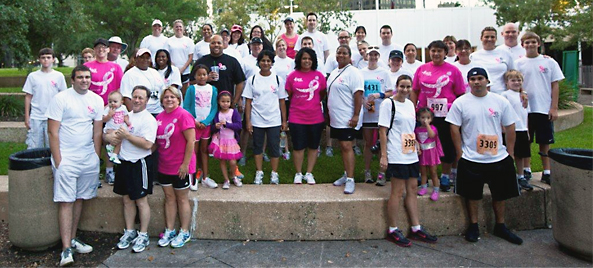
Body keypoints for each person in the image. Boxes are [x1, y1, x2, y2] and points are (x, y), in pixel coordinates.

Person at [446, 67, 524, 245]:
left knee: (500, 194)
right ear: (469, 82)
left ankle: (501, 225)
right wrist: (460, 152)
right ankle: (473, 225)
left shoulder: (500, 101)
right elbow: (454, 128)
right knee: (472, 195)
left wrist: (510, 152)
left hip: (498, 157)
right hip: (471, 158)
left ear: (487, 81)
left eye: (480, 78)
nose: (476, 82)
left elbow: (510, 126)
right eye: (473, 79)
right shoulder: (461, 103)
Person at [46, 65, 103, 266]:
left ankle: (71, 239)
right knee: (66, 201)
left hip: (88, 159)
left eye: (87, 77)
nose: (84, 80)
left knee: (80, 198)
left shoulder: (97, 100)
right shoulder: (61, 99)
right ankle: (65, 250)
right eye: (80, 77)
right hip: (66, 158)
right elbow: (52, 132)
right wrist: (59, 160)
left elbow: (97, 131)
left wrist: (96, 157)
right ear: (72, 79)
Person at [379, 74, 438, 247]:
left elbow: (410, 128)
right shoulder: (388, 104)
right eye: (402, 86)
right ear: (396, 86)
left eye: (408, 86)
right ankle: (392, 228)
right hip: (396, 152)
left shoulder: (411, 105)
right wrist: (384, 155)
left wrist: (417, 144)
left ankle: (416, 227)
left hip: (411, 152)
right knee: (397, 192)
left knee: (412, 189)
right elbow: (382, 131)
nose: (405, 90)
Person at [112, 85, 157, 253]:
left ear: (146, 100)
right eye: (135, 97)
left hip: (140, 163)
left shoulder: (148, 120)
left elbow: (147, 144)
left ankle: (143, 234)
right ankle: (130, 231)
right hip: (124, 161)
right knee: (126, 199)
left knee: (141, 200)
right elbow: (117, 137)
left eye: (141, 98)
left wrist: (127, 136)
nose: (137, 100)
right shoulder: (126, 117)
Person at [514, 32, 564, 185]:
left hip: (543, 108)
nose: (530, 45)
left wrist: (554, 107)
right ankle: (526, 169)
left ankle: (547, 171)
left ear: (539, 43)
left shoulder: (549, 63)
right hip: (525, 109)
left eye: (533, 42)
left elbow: (555, 85)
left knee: (544, 141)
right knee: (526, 140)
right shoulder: (518, 63)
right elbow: (514, 83)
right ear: (522, 45)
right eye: (527, 42)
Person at [154, 86, 196, 248]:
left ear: (179, 99)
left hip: (180, 166)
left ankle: (184, 231)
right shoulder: (159, 117)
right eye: (166, 97)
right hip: (164, 164)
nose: (169, 100)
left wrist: (185, 164)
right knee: (169, 198)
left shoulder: (184, 115)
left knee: (181, 198)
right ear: (162, 101)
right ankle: (170, 229)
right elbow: (157, 142)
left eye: (173, 97)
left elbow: (191, 141)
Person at [243, 50, 288, 185]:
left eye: (268, 61)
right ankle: (259, 172)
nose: (266, 63)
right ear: (259, 62)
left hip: (274, 118)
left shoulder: (277, 80)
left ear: (272, 63)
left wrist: (284, 120)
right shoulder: (252, 80)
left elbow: (282, 101)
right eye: (263, 60)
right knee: (257, 146)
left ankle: (274, 173)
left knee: (274, 147)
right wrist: (248, 121)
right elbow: (248, 102)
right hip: (257, 119)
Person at [285, 47, 327, 184]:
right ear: (299, 60)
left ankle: (309, 173)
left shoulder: (319, 76)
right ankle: (298, 173)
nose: (307, 61)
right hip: (297, 117)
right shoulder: (292, 76)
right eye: (304, 58)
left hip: (315, 117)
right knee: (298, 147)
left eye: (309, 59)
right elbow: (290, 95)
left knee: (313, 146)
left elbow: (321, 94)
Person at [328, 45, 364, 195]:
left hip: (348, 118)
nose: (341, 55)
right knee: (342, 147)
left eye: (344, 53)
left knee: (347, 146)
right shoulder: (334, 72)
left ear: (350, 57)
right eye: (338, 52)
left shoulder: (354, 73)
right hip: (336, 118)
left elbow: (358, 95)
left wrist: (356, 115)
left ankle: (350, 179)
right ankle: (346, 173)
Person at [360, 47, 394, 185]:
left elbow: (391, 92)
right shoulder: (361, 73)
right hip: (368, 113)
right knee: (368, 143)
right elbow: (358, 92)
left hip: (381, 113)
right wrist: (363, 102)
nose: (373, 57)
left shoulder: (384, 73)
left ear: (378, 56)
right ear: (367, 56)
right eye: (370, 55)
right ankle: (367, 171)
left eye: (375, 55)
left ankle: (382, 173)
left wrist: (379, 95)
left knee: (382, 144)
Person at [23, 47, 68, 149]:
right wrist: (27, 117)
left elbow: (64, 96)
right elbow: (28, 97)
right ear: (39, 59)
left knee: (52, 144)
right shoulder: (33, 76)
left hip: (53, 115)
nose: (46, 60)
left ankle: (51, 164)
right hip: (36, 116)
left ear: (53, 59)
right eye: (43, 57)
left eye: (48, 57)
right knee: (34, 145)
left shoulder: (59, 76)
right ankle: (35, 164)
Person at [183, 64, 218, 190]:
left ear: (208, 75)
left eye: (204, 74)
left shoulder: (213, 89)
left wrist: (207, 121)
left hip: (206, 126)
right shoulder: (191, 89)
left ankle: (205, 177)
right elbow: (186, 107)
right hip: (194, 126)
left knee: (204, 150)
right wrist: (195, 121)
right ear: (195, 76)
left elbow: (214, 107)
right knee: (194, 151)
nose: (202, 77)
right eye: (199, 74)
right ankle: (192, 178)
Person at [501, 70, 534, 191]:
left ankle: (521, 176)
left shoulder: (524, 97)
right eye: (513, 80)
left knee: (521, 155)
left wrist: (528, 131)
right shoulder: (505, 95)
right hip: (510, 129)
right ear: (507, 82)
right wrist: (502, 126)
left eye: (518, 80)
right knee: (510, 153)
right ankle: (508, 176)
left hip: (522, 128)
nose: (516, 82)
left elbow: (526, 114)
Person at [194, 35, 246, 108]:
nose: (216, 45)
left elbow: (240, 82)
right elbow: (192, 81)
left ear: (223, 45)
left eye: (219, 43)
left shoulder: (232, 61)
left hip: (225, 105)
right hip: (205, 105)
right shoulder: (201, 61)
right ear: (209, 45)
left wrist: (234, 101)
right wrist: (206, 79)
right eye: (213, 43)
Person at [209, 91, 244, 188]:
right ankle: (226, 179)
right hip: (221, 141)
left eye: (227, 101)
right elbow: (212, 128)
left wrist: (227, 124)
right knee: (222, 160)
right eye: (223, 101)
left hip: (231, 141)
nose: (225, 104)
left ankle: (233, 175)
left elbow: (239, 125)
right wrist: (215, 126)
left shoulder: (233, 112)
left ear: (231, 102)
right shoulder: (217, 114)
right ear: (219, 102)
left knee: (233, 161)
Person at [470, 26, 514, 95]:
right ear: (481, 38)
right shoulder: (474, 56)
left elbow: (512, 74)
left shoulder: (505, 53)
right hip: (481, 94)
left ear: (496, 39)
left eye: (492, 37)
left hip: (502, 94)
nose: (489, 39)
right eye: (486, 37)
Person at [120, 49, 165, 115]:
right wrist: (133, 115)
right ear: (136, 59)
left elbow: (163, 91)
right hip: (141, 112)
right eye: (142, 57)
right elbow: (126, 97)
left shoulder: (155, 72)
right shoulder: (129, 74)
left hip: (158, 111)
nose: (145, 60)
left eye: (147, 58)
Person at [415, 108, 444, 200]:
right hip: (422, 152)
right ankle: (424, 187)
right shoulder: (417, 130)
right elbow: (416, 140)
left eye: (427, 118)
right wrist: (418, 147)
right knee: (423, 172)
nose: (425, 120)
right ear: (418, 118)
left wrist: (427, 125)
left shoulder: (433, 128)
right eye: (423, 118)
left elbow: (432, 135)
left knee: (433, 172)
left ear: (431, 119)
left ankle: (435, 189)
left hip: (431, 153)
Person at [84, 38, 123, 107]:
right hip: (90, 105)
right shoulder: (86, 66)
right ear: (94, 50)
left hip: (110, 106)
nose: (101, 50)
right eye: (98, 47)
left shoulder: (116, 68)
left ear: (108, 49)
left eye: (103, 47)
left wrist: (112, 104)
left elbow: (119, 89)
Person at [102, 91, 131, 165]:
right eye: (110, 101)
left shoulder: (123, 108)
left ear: (121, 102)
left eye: (115, 101)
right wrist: (109, 115)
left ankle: (114, 154)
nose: (112, 103)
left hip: (118, 128)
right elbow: (103, 119)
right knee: (117, 137)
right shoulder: (108, 109)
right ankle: (111, 147)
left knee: (120, 140)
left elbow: (125, 116)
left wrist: (127, 122)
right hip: (110, 129)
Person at [166, 19, 194, 95]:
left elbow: (190, 57)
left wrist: (182, 70)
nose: (179, 28)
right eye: (176, 27)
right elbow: (167, 56)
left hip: (185, 72)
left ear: (183, 28)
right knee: (173, 93)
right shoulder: (169, 41)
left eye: (180, 27)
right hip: (172, 71)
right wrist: (175, 69)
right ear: (173, 28)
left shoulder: (189, 41)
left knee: (184, 94)